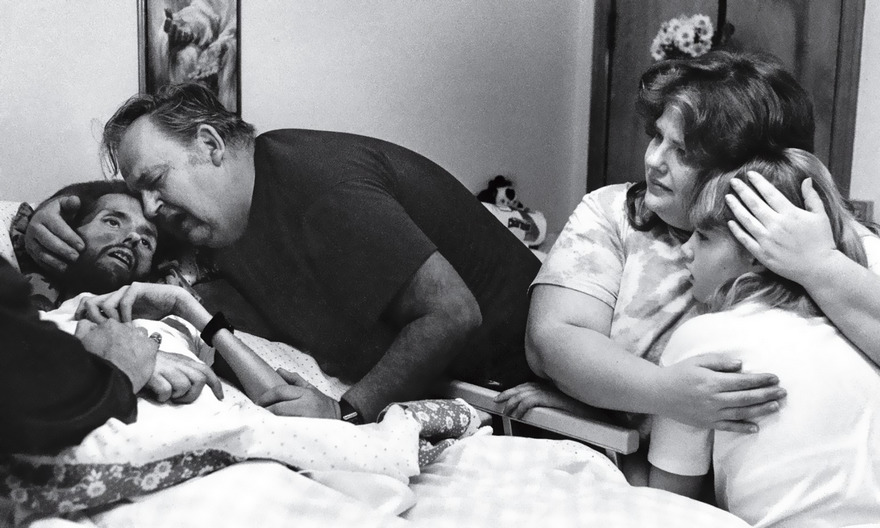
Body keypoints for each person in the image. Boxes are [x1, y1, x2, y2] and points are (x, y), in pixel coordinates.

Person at [24, 82, 541, 422]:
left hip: (528, 375)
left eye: (155, 182)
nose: (151, 210)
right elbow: (111, 219)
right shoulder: (211, 214)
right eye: (142, 196)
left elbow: (452, 312)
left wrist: (347, 412)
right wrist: (44, 216)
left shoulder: (314, 184)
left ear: (210, 146)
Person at [497, 50, 816, 481]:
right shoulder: (611, 212)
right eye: (657, 137)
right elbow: (552, 341)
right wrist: (666, 394)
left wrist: (822, 266)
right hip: (644, 474)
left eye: (682, 151)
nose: (654, 160)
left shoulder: (808, 240)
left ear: (746, 167)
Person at [648, 149, 880, 527]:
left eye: (703, 237)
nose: (685, 250)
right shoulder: (858, 334)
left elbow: (669, 503)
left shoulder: (704, 338)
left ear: (759, 251)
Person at [0, 255, 156, 454]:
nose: (134, 238)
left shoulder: (171, 316)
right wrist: (108, 376)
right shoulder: (35, 309)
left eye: (146, 242)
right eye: (112, 222)